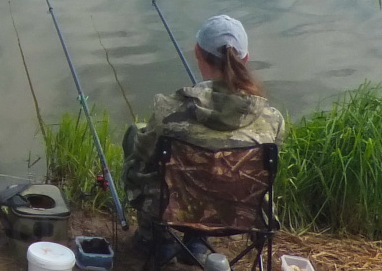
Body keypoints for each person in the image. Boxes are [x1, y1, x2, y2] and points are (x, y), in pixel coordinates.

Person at [120, 14, 286, 243]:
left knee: (135, 134)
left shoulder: (169, 112)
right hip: (242, 216)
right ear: (245, 58)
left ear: (197, 52)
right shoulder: (272, 120)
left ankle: (155, 240)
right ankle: (197, 242)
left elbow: (143, 156)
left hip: (173, 210)